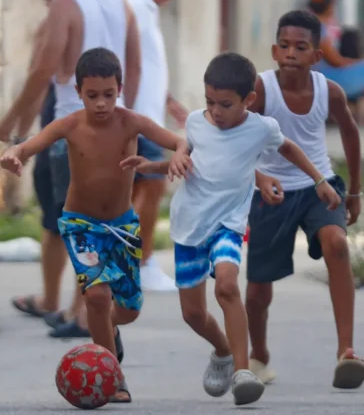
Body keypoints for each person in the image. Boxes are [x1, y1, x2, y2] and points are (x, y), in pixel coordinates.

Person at [124, 51, 342, 406]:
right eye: (210, 102)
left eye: (225, 104)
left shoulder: (261, 128)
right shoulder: (196, 123)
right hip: (190, 225)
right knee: (193, 314)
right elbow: (189, 161)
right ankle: (223, 352)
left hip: (228, 224)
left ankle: (243, 371)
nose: (217, 111)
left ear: (249, 100)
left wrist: (319, 180)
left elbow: (291, 150)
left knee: (227, 286)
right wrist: (152, 165)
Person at [0, 47, 191, 403]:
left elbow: (178, 140)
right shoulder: (70, 125)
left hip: (121, 227)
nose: (101, 103)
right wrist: (15, 154)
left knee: (129, 309)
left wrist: (179, 154)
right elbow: (33, 144)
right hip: (81, 225)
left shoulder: (132, 121)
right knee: (97, 297)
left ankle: (112, 329)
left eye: (108, 94)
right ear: (78, 93)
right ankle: (113, 378)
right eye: (92, 96)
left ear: (119, 89)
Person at [0, 0, 142, 341]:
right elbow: (135, 64)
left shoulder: (65, 5)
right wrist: (124, 116)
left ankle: (84, 315)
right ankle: (83, 309)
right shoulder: (120, 1)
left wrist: (12, 121)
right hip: (119, 128)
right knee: (105, 220)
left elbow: (44, 67)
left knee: (77, 223)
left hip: (73, 126)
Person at [244, 9, 364, 390]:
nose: (291, 52)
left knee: (337, 244)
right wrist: (258, 177)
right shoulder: (260, 90)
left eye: (301, 46)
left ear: (317, 56)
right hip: (272, 193)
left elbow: (350, 135)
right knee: (259, 289)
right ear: (274, 52)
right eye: (284, 45)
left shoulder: (328, 91)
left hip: (320, 187)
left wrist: (356, 191)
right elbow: (236, 141)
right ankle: (259, 354)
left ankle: (346, 350)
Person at [8, 0, 91, 340]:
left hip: (61, 126)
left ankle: (77, 307)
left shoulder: (64, 15)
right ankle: (58, 301)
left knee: (70, 219)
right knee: (56, 218)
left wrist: (17, 131)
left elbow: (39, 75)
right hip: (54, 126)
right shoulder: (97, 10)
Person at [126, 0, 188, 291]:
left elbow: (145, 65)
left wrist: (170, 102)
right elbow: (126, 63)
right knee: (151, 186)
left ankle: (132, 262)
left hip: (147, 113)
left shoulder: (146, 10)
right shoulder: (134, 8)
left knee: (139, 191)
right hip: (137, 117)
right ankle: (144, 263)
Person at [305, 0, 364, 111]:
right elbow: (335, 61)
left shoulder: (313, 23)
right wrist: (357, 62)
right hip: (325, 78)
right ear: (328, 5)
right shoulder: (317, 27)